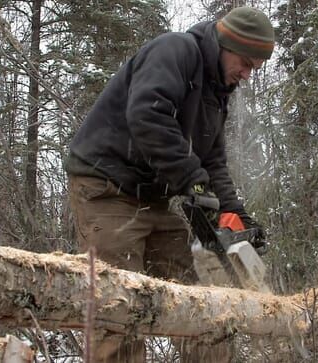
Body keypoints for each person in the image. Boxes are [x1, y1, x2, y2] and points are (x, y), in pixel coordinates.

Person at [65, 6, 274, 363]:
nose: (247, 74)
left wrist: (235, 215)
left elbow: (213, 162)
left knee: (195, 300)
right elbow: (148, 114)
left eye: (255, 67)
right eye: (245, 62)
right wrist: (192, 183)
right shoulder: (175, 51)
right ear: (226, 43)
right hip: (107, 188)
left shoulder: (216, 93)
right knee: (117, 304)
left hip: (153, 201)